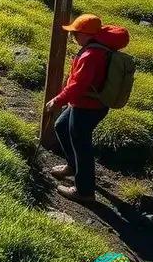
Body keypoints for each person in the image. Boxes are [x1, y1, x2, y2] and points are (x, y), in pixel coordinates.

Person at [45, 14, 129, 202]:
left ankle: (84, 192)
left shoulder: (91, 55)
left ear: (86, 34)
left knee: (81, 145)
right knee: (61, 126)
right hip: (87, 104)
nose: (73, 37)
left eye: (75, 33)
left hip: (87, 106)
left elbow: (78, 85)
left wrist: (57, 100)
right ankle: (73, 166)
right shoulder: (97, 48)